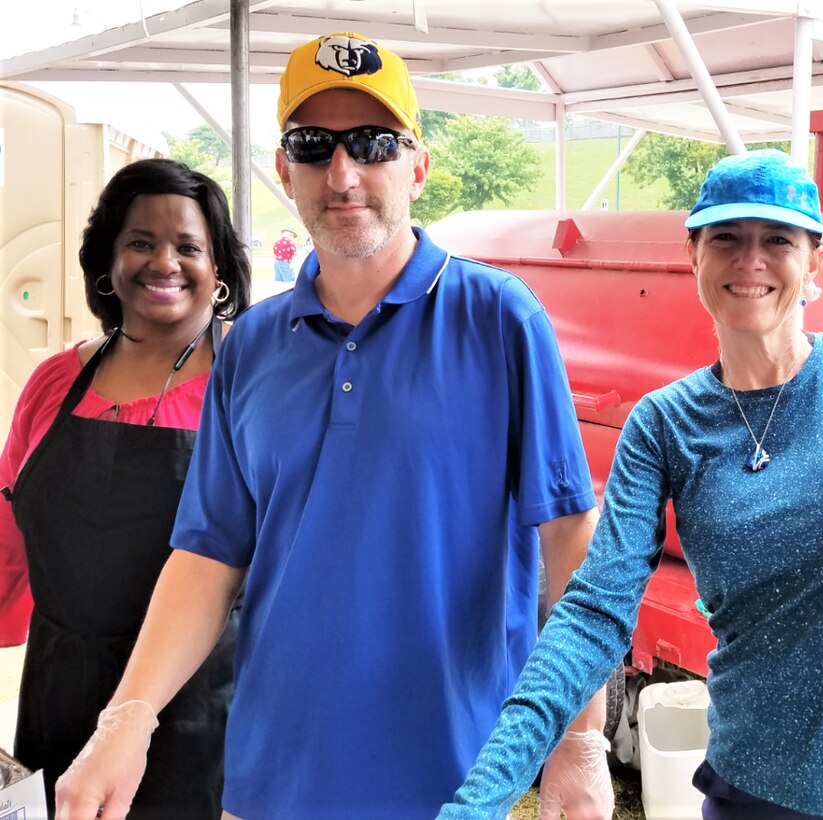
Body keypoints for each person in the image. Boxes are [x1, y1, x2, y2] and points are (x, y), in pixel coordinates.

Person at [54, 31, 613, 820]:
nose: (343, 173)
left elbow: (571, 542)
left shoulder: (499, 320)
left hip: (460, 785)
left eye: (373, 144)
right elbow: (208, 556)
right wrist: (128, 719)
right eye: (314, 146)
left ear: (417, 163)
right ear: (284, 170)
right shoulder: (250, 345)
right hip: (271, 784)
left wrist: (580, 739)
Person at [437, 149, 823, 819]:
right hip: (760, 796)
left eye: (777, 239)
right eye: (726, 239)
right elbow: (594, 613)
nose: (751, 261)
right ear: (694, 257)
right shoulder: (663, 425)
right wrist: (480, 800)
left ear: (816, 264)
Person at [0, 157, 250, 817]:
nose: (163, 261)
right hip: (58, 695)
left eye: (188, 246)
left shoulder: (249, 385)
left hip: (200, 714)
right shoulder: (56, 381)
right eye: (141, 241)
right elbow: (9, 532)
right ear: (107, 259)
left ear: (218, 268)